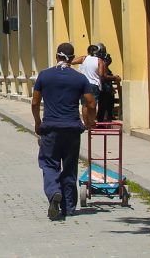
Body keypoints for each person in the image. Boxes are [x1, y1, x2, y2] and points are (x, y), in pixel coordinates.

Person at [32, 42, 96, 220]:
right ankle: (68, 207)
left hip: (51, 128)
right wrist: (89, 121)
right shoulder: (80, 78)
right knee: (69, 167)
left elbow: (35, 102)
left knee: (49, 164)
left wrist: (37, 122)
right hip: (72, 129)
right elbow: (90, 102)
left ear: (57, 57)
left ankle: (54, 193)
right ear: (72, 58)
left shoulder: (45, 76)